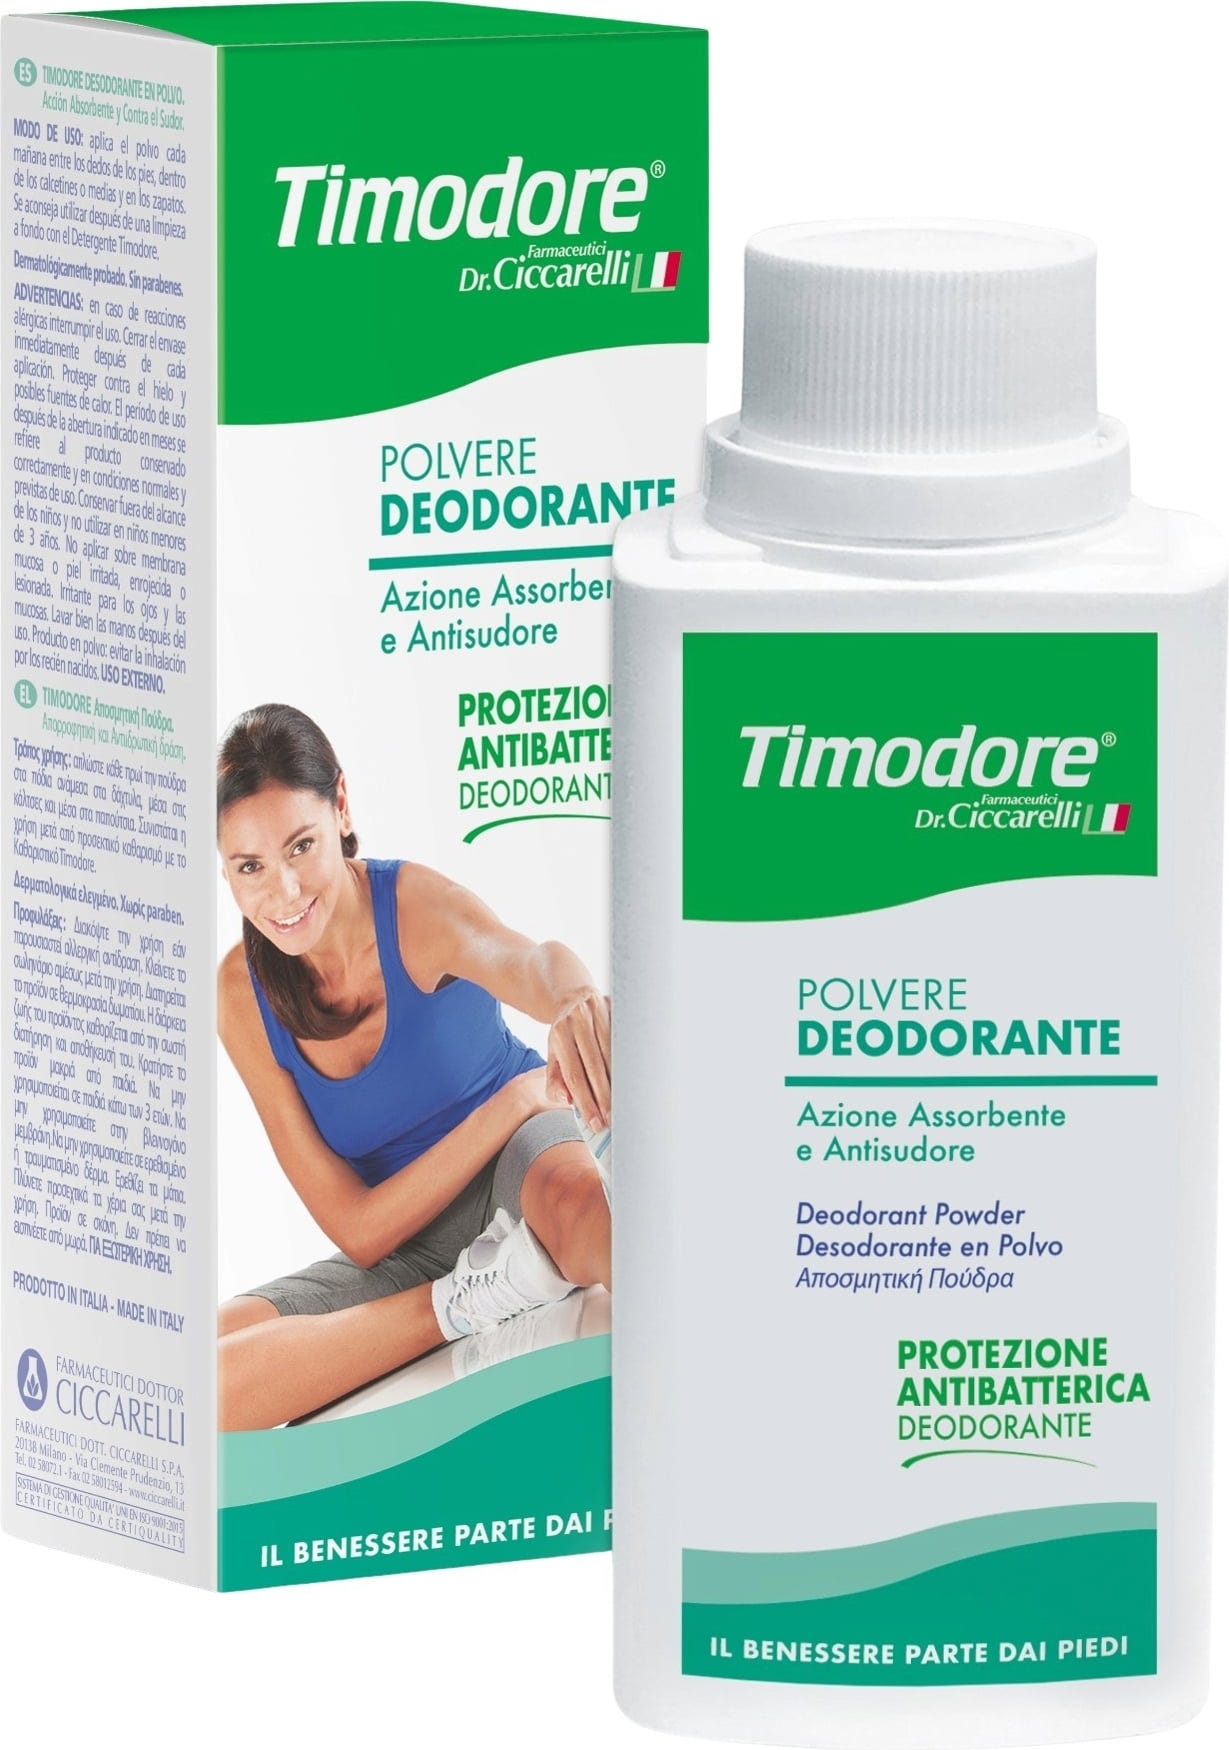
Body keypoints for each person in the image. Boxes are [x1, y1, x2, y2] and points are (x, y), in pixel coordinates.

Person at [215, 703, 611, 1431]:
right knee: (189, 1372)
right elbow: (360, 1231)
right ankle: (474, 1297)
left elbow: (530, 962)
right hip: (403, 1247)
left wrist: (573, 999)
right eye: (250, 867)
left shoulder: (411, 908)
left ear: (340, 806)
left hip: (523, 1165)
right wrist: (514, 1100)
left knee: (584, 1211)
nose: (285, 893)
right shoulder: (241, 994)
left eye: (301, 846)